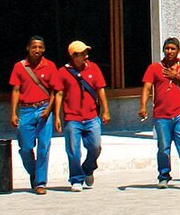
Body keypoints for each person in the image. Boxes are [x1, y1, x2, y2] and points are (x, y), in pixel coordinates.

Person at [139, 37, 180, 188]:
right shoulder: (154, 68)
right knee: (163, 148)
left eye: (173, 48)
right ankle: (163, 176)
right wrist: (143, 106)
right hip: (161, 116)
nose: (169, 51)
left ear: (179, 50)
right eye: (167, 48)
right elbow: (147, 87)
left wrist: (176, 77)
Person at [9, 36, 61, 194]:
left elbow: (55, 90)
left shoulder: (50, 66)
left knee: (44, 146)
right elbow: (16, 90)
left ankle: (40, 182)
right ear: (28, 48)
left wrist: (50, 109)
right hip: (26, 111)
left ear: (44, 49)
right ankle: (34, 172)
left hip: (44, 108)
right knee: (25, 147)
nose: (37, 50)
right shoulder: (19, 67)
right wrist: (13, 113)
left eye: (40, 47)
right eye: (34, 47)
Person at [57, 40, 109, 191]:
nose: (86, 56)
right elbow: (59, 94)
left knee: (95, 146)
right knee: (73, 150)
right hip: (72, 118)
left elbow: (101, 90)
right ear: (74, 56)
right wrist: (57, 117)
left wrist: (106, 110)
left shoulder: (94, 68)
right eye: (82, 53)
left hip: (92, 116)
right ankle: (76, 179)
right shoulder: (63, 72)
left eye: (86, 52)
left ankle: (87, 168)